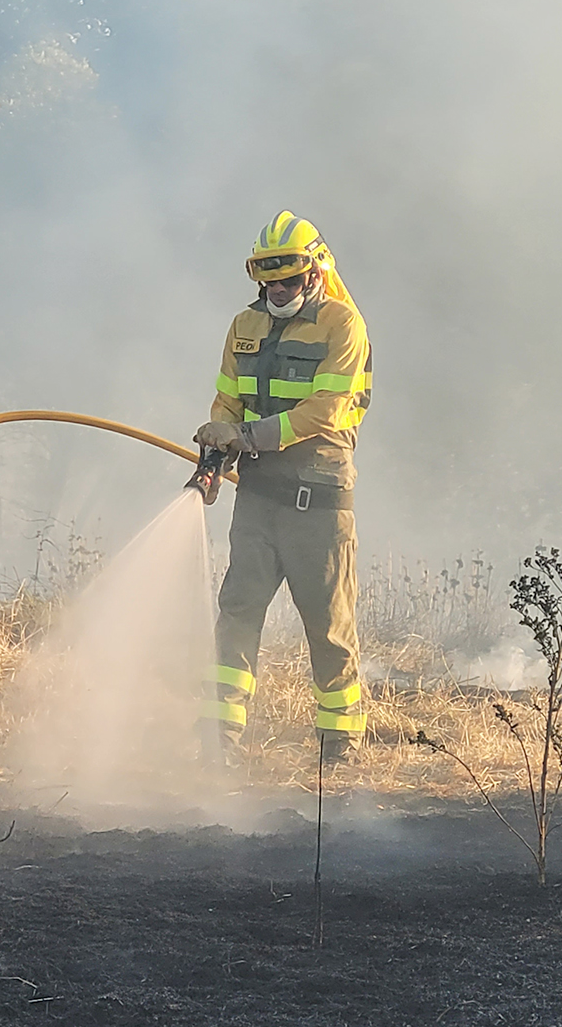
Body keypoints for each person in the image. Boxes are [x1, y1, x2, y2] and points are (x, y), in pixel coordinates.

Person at [194, 211, 373, 765]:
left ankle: (339, 747)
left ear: (314, 272)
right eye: (268, 279)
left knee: (328, 628)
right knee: (236, 615)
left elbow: (324, 411)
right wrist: (212, 457)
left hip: (316, 505)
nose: (278, 290)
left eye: (289, 278)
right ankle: (218, 740)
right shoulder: (243, 327)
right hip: (257, 501)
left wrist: (245, 437)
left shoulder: (343, 326)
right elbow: (227, 399)